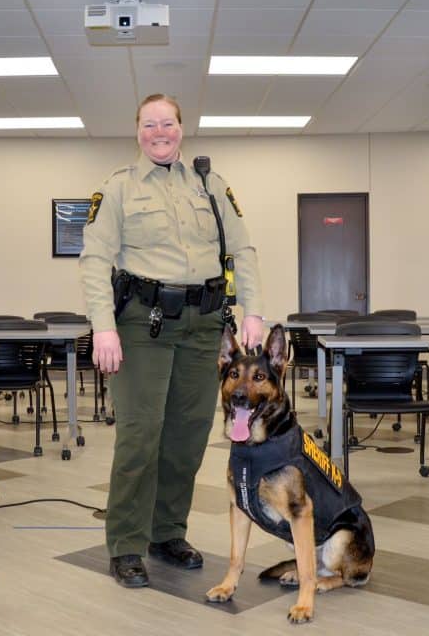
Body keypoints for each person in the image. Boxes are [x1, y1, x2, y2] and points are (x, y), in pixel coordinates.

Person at [79, 93, 264, 588]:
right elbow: (95, 259)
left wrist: (254, 311)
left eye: (167, 123)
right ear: (136, 131)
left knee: (188, 433)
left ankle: (166, 532)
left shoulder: (211, 184)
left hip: (204, 325)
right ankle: (125, 543)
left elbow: (242, 248)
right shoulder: (118, 187)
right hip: (144, 324)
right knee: (141, 432)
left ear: (182, 128)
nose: (158, 132)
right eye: (147, 125)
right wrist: (103, 326)